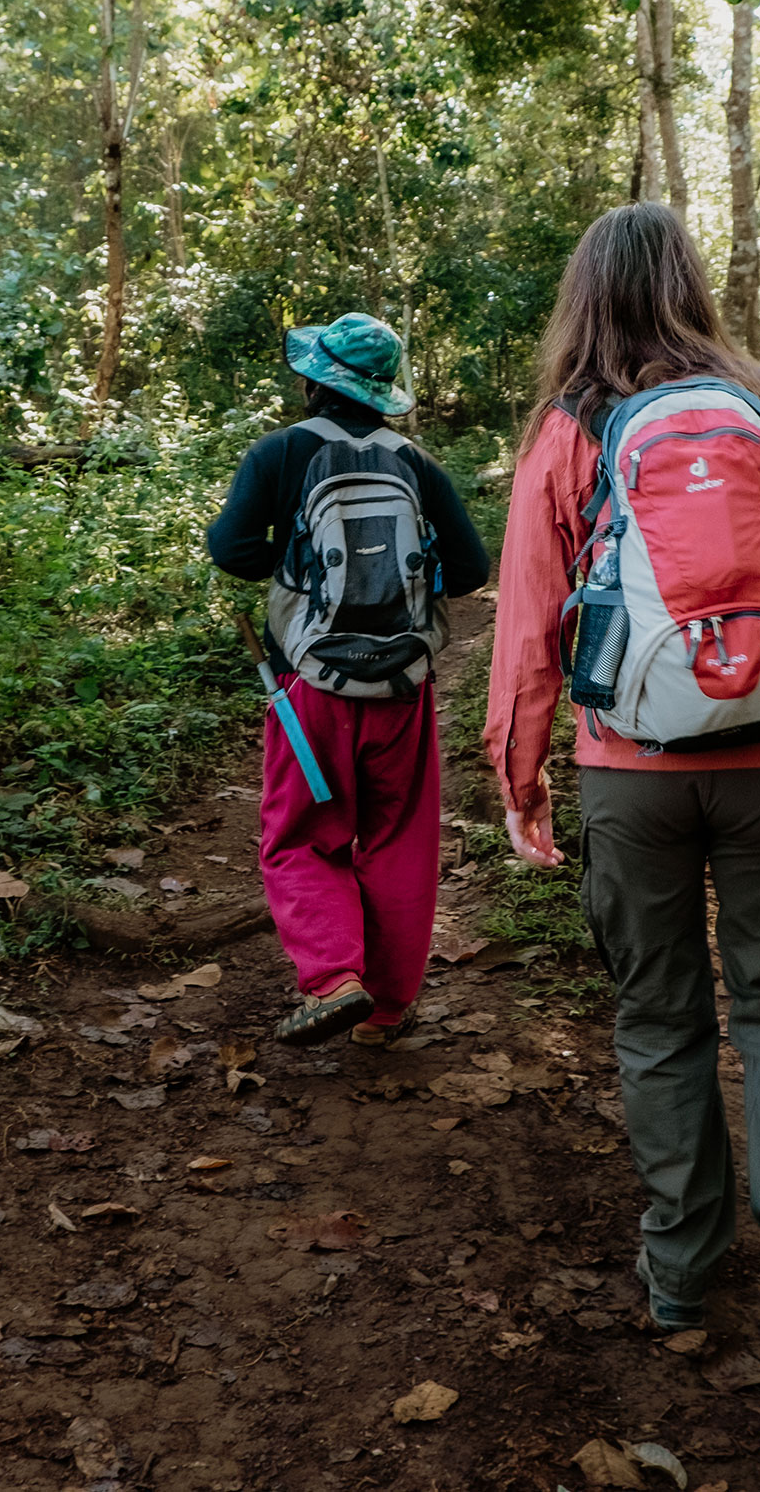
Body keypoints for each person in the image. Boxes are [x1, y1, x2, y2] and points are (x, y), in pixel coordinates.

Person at [482, 203, 760, 1377]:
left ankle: (679, 1273)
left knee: (658, 1020)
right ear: (690, 283)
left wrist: (520, 777)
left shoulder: (570, 428)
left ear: (582, 297)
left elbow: (525, 625)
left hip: (632, 773)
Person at [207, 313, 491, 1048]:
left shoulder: (280, 454)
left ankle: (335, 977)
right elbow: (470, 573)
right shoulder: (417, 463)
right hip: (403, 689)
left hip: (311, 692)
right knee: (397, 838)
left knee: (302, 836)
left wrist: (291, 549)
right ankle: (388, 1009)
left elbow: (232, 550)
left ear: (315, 383)